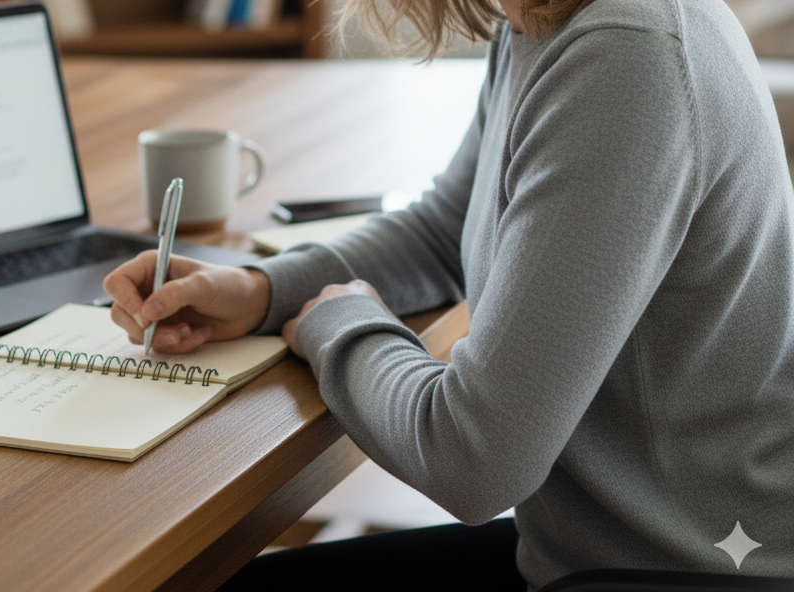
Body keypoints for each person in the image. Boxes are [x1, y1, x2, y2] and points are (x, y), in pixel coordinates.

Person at [104, 0, 794, 589]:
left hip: (678, 574)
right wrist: (261, 291)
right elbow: (445, 229)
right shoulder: (542, 18)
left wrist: (340, 326)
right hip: (597, 552)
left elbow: (473, 461)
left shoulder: (628, 62)